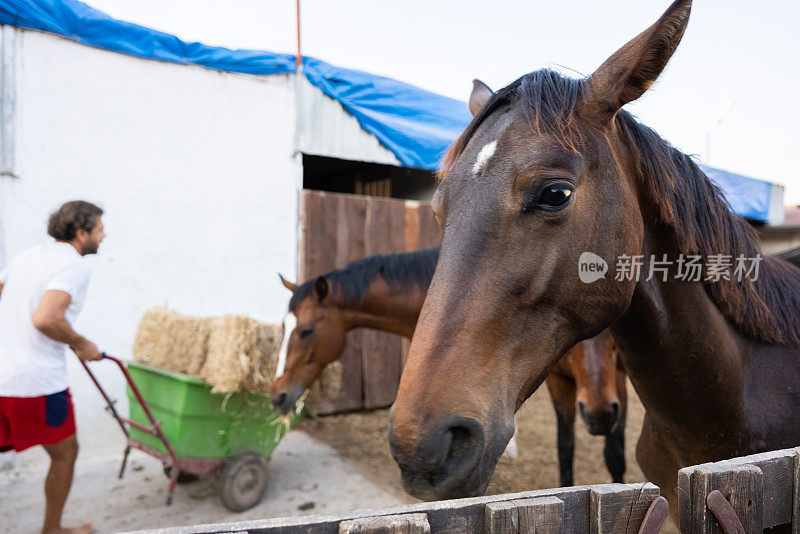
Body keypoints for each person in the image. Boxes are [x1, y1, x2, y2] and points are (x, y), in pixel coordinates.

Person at [0, 201, 106, 534]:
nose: (104, 236)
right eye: (100, 229)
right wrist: (80, 343)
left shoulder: (28, 256)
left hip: (4, 374)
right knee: (66, 453)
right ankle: (52, 530)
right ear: (81, 233)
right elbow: (46, 318)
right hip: (35, 382)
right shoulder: (73, 264)